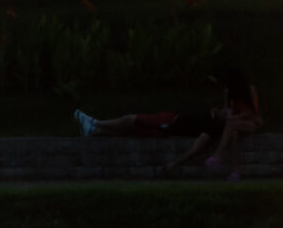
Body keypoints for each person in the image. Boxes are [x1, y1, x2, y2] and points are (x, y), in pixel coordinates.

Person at [76, 67, 264, 179]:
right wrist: (220, 112)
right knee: (132, 126)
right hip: (172, 118)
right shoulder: (220, 114)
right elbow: (227, 111)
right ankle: (95, 128)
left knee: (133, 121)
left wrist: (175, 163)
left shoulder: (216, 127)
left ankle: (95, 124)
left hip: (169, 125)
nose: (225, 112)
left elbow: (197, 148)